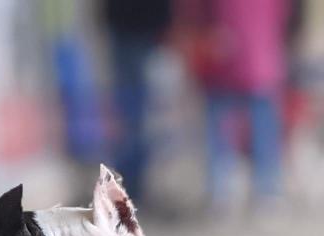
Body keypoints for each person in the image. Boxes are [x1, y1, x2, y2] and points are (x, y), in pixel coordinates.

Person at [178, 0, 293, 210]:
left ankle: (233, 190)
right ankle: (257, 190)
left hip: (245, 56)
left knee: (240, 128)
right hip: (244, 57)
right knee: (247, 128)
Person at [100, 0, 175, 204]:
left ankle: (131, 185)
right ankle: (131, 186)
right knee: (134, 115)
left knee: (136, 115)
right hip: (136, 28)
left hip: (137, 28)